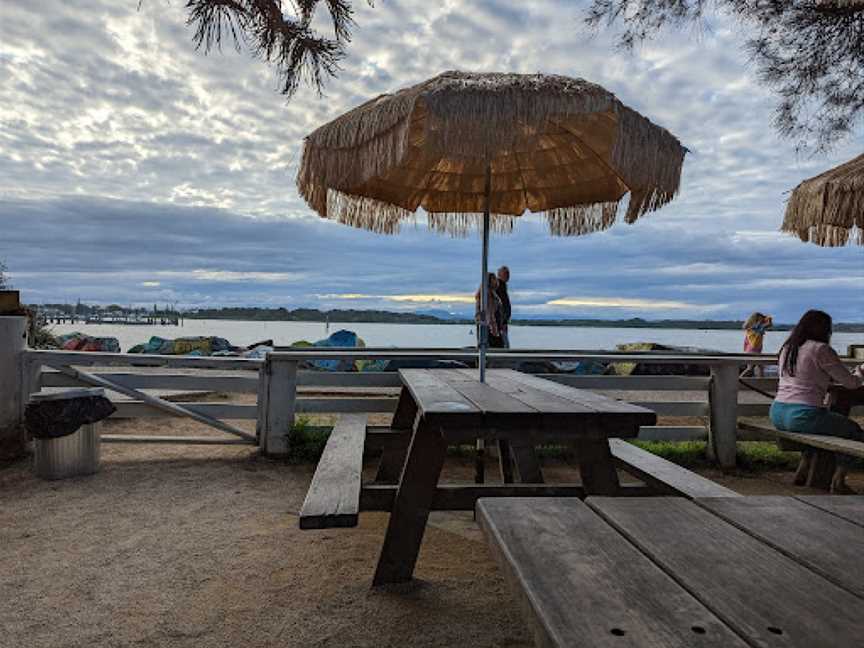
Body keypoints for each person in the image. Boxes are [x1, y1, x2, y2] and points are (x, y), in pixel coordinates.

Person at [769, 309, 864, 494]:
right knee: (853, 431)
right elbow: (851, 384)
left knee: (827, 426)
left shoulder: (788, 348)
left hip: (778, 412)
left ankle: (803, 470)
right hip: (803, 415)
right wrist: (861, 370)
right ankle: (839, 480)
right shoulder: (821, 350)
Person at [475, 272, 504, 348]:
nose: (496, 280)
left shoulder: (489, 293)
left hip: (487, 327)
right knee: (496, 351)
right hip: (490, 328)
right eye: (493, 278)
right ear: (489, 281)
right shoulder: (488, 295)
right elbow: (490, 313)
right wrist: (494, 329)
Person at [741, 312, 772, 377]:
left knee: (757, 367)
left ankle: (760, 381)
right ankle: (740, 380)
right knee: (752, 368)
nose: (762, 321)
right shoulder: (754, 328)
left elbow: (769, 323)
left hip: (753, 350)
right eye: (760, 319)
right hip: (753, 350)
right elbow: (768, 324)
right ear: (756, 320)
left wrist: (766, 319)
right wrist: (767, 319)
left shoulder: (753, 328)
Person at [496, 265, 511, 348]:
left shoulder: (503, 286)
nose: (508, 276)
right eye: (506, 273)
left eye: (508, 273)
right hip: (500, 323)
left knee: (504, 343)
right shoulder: (498, 286)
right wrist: (502, 321)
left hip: (502, 322)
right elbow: (501, 305)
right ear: (499, 274)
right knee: (504, 344)